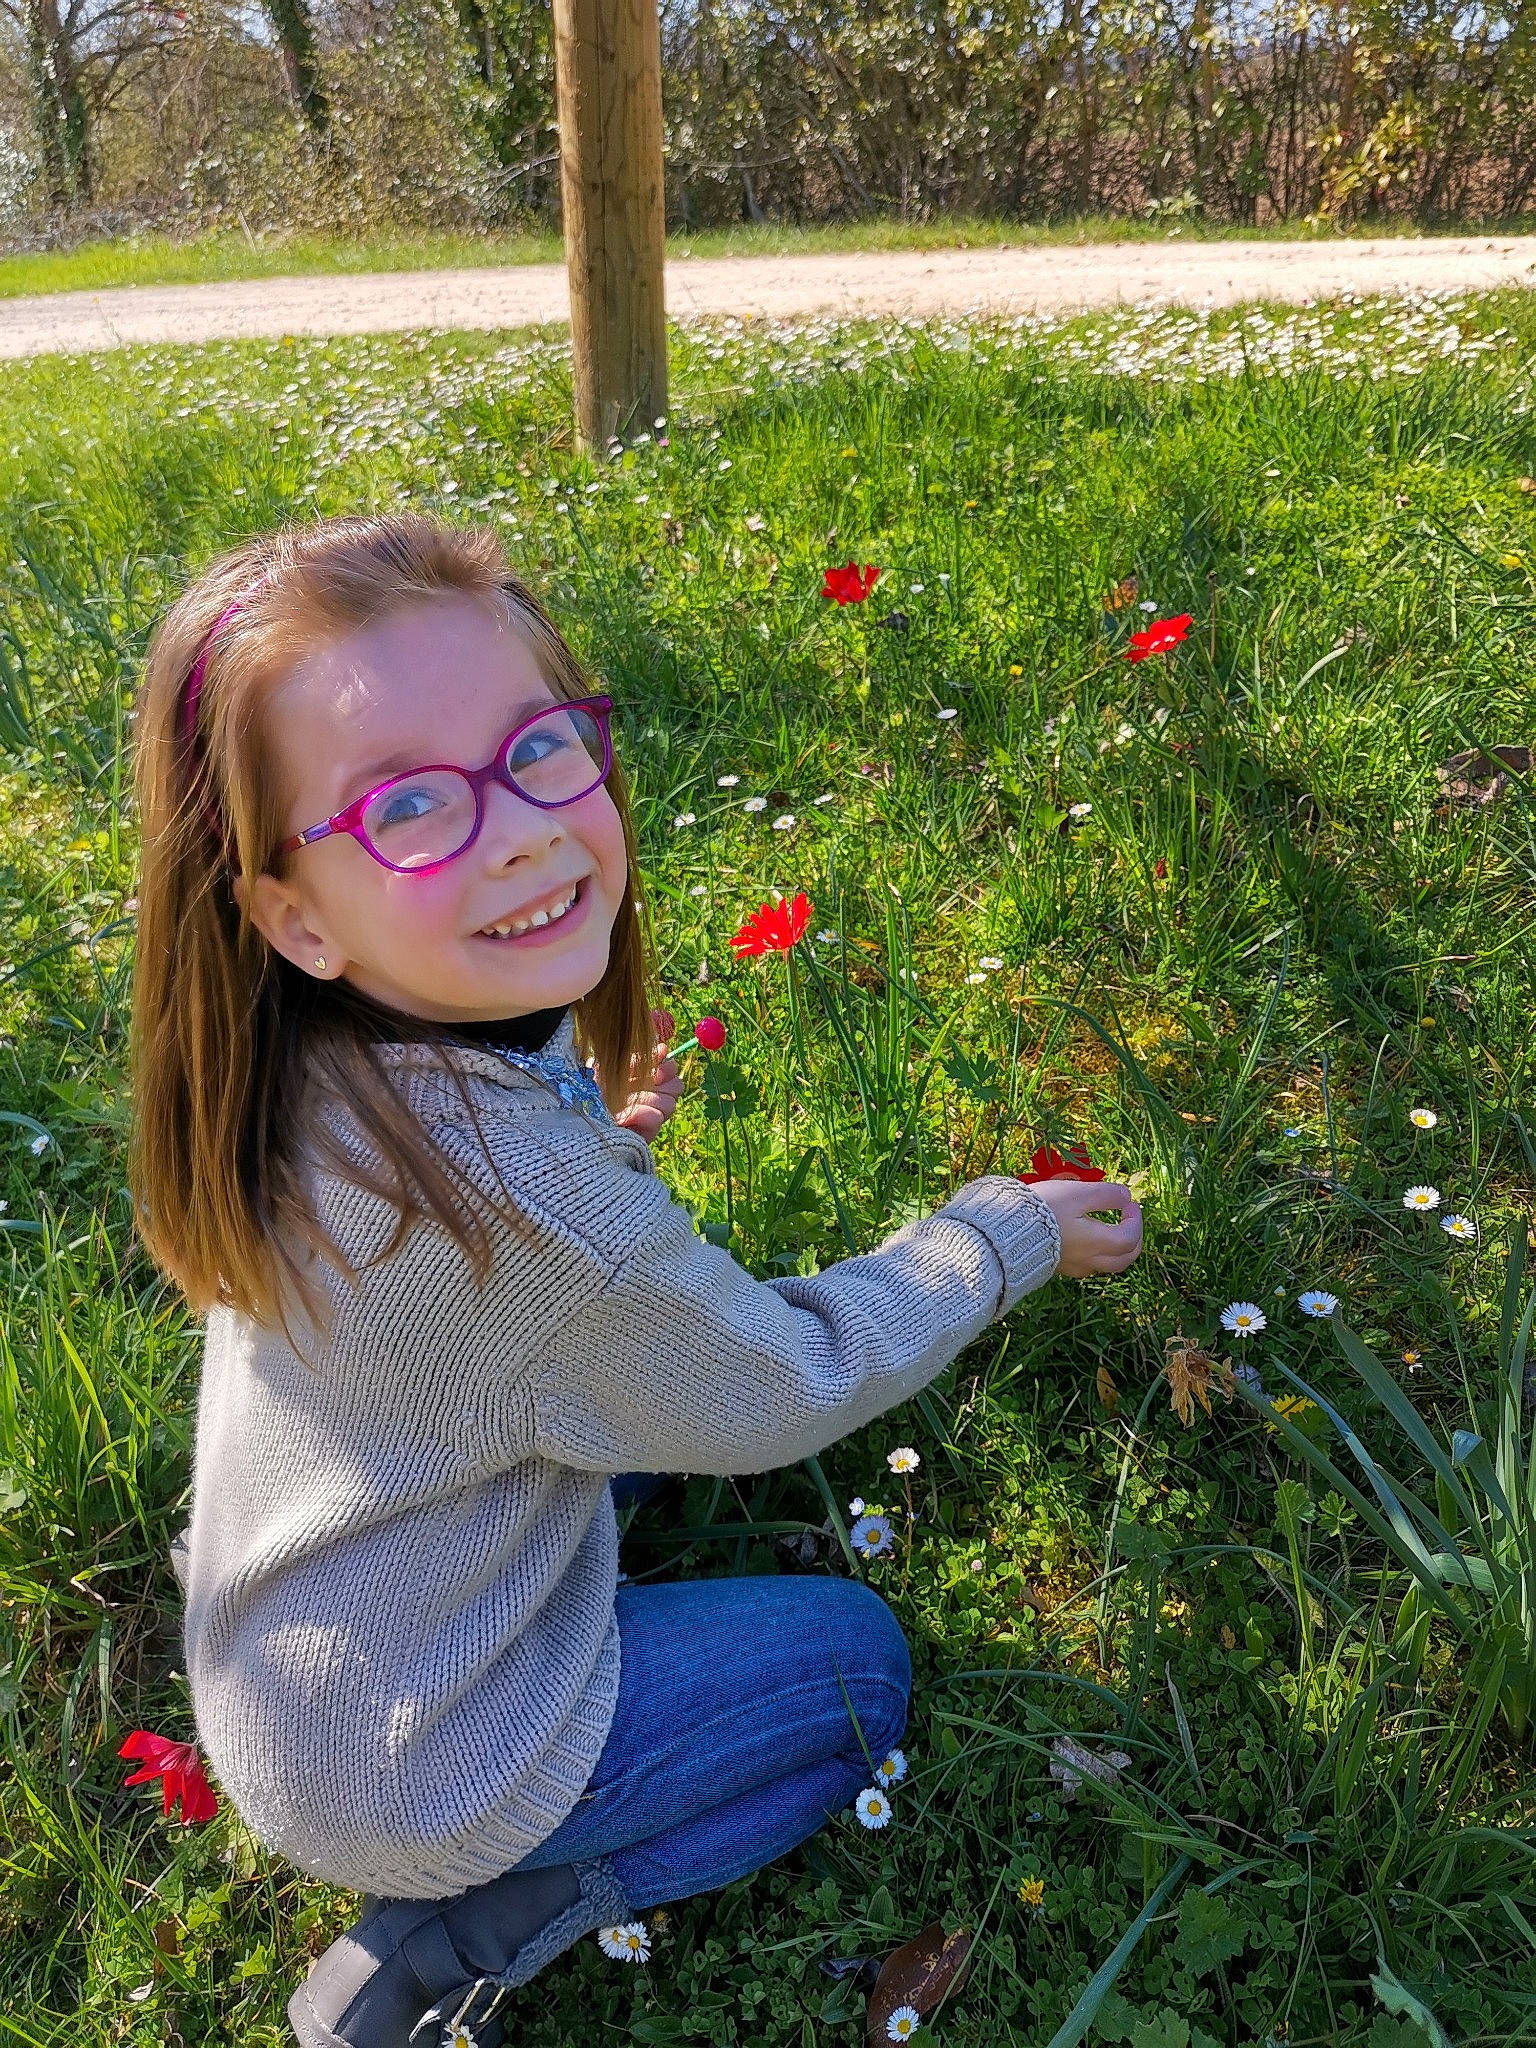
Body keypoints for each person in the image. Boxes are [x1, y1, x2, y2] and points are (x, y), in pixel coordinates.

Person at [127, 512, 1143, 2048]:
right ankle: (478, 1923)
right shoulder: (528, 1220)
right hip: (427, 1763)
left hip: (302, 1668)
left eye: (541, 748)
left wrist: (590, 1144)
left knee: (623, 1446)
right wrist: (1003, 1235)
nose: (524, 828)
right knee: (850, 1676)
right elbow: (782, 1384)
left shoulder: (307, 1077)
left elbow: (499, 1286)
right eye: (408, 802)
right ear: (292, 915)